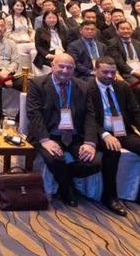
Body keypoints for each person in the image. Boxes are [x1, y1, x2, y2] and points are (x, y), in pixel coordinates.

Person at [88, 57, 140, 217]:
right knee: (112, 151)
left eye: (112, 72)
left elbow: (135, 112)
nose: (109, 76)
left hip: (122, 131)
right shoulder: (87, 88)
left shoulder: (122, 87)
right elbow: (87, 117)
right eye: (105, 72)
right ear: (96, 70)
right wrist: (104, 135)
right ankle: (110, 197)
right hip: (100, 133)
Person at [25, 53, 100, 207]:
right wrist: (45, 140)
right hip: (49, 134)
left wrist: (90, 142)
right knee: (54, 159)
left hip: (74, 135)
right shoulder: (37, 84)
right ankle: (67, 189)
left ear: (74, 69)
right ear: (52, 66)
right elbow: (34, 114)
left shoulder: (83, 86)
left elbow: (90, 115)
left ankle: (66, 176)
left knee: (94, 163)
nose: (65, 71)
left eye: (69, 68)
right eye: (61, 66)